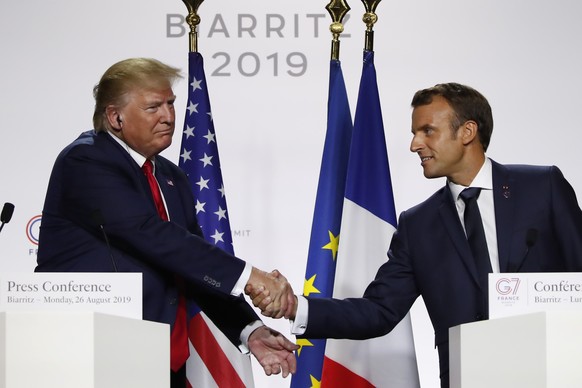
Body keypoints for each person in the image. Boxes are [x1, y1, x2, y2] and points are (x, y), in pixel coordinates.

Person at [247, 82, 582, 388]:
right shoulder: (418, 224)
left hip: (555, 372)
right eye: (414, 133)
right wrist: (296, 307)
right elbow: (377, 311)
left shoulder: (542, 188)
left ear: (467, 132)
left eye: (427, 131)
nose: (414, 144)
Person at [36, 57, 297, 387]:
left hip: (160, 361)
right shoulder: (86, 160)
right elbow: (148, 233)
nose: (169, 116)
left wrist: (251, 329)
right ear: (115, 117)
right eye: (153, 107)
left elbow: (195, 263)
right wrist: (250, 276)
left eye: (171, 104)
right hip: (94, 358)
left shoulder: (170, 176)